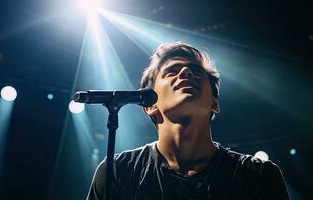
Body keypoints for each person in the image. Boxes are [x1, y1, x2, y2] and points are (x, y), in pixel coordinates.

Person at [87, 42, 289, 199]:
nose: (186, 72)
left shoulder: (258, 176)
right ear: (150, 105)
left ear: (214, 103)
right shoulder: (119, 172)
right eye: (171, 72)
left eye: (196, 71)